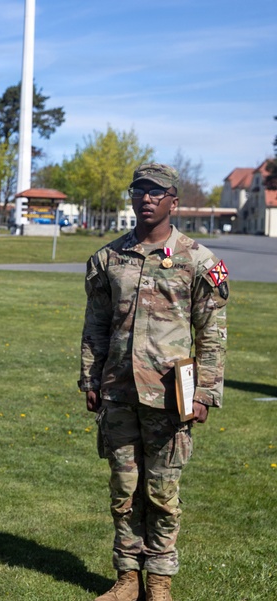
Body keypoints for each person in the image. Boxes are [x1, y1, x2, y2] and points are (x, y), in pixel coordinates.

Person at [80, 163, 228, 601]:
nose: (147, 198)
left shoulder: (199, 261)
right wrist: (90, 377)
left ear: (173, 202)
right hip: (119, 391)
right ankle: (127, 578)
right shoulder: (109, 259)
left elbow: (212, 333)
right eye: (140, 190)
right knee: (124, 488)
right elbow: (96, 325)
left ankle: (159, 581)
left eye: (157, 192)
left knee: (163, 491)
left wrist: (205, 392)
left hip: (170, 395)